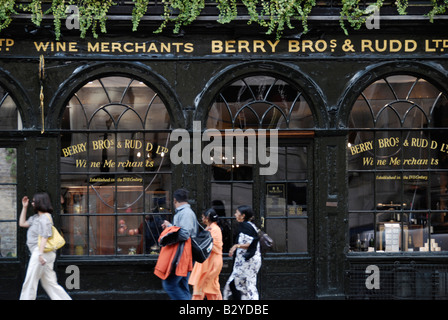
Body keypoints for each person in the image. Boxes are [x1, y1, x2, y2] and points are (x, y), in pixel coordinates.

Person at [19, 192, 71, 300]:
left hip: (41, 253)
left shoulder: (45, 218)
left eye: (34, 201)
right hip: (43, 254)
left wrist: (40, 254)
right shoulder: (36, 217)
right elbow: (22, 223)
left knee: (30, 281)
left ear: (39, 202)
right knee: (50, 283)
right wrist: (24, 207)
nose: (32, 203)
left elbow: (45, 237)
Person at [158, 188, 198, 300]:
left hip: (181, 256)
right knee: (182, 286)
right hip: (184, 255)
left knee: (169, 285)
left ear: (175, 200)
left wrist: (170, 227)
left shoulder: (185, 213)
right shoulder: (185, 213)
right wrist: (170, 226)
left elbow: (185, 234)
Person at [223, 205, 261, 300]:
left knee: (247, 285)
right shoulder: (249, 225)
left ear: (243, 215)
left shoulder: (245, 226)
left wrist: (236, 246)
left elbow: (250, 243)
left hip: (247, 261)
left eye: (237, 213)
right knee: (238, 284)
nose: (235, 214)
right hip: (247, 261)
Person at [188, 208, 223, 300]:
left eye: (203, 217)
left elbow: (207, 245)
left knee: (204, 285)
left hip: (211, 262)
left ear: (207, 218)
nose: (202, 219)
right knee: (210, 286)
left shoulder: (214, 229)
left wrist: (204, 233)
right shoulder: (214, 228)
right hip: (210, 261)